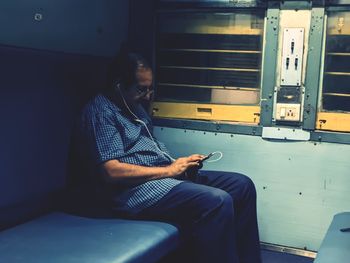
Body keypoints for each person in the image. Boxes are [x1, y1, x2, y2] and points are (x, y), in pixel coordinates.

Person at [79, 51, 261, 263]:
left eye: (150, 89)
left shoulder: (134, 108)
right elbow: (110, 171)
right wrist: (170, 170)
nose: (148, 96)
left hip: (162, 178)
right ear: (119, 86)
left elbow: (150, 152)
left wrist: (180, 165)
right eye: (141, 89)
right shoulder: (102, 113)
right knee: (217, 201)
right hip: (133, 192)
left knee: (241, 185)